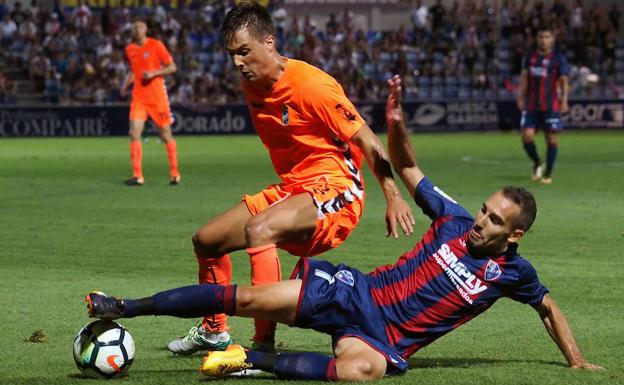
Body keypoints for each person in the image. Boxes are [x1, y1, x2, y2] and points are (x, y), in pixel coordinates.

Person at [85, 75, 603, 381]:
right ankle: (125, 307)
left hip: (385, 341)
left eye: (494, 220)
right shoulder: (453, 218)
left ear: (514, 236)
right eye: (485, 209)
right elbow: (408, 170)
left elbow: (549, 306)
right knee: (247, 297)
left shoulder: (512, 273)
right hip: (358, 293)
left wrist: (576, 360)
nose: (481, 221)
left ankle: (255, 360)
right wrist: (396, 125)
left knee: (360, 372)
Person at [165, 2, 415, 355]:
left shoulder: (312, 85)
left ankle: (261, 347)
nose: (237, 63)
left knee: (259, 229)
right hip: (294, 188)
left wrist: (393, 195)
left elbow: (367, 140)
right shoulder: (252, 85)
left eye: (244, 52)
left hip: (336, 188)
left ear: (269, 43)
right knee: (206, 241)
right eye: (232, 55)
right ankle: (214, 330)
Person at [121, 19, 180, 186]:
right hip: (139, 98)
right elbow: (134, 71)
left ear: (145, 28)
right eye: (134, 27)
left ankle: (175, 173)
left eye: (139, 26)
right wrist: (125, 86)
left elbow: (172, 67)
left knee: (165, 134)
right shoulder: (130, 49)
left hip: (156, 97)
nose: (137, 29)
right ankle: (137, 175)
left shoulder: (156, 45)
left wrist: (155, 72)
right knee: (134, 133)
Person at [517, 25, 569, 184]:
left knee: (551, 139)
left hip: (551, 105)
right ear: (536, 39)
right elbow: (524, 78)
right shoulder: (530, 57)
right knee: (526, 136)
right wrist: (520, 97)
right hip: (532, 104)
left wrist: (564, 101)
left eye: (547, 37)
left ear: (552, 39)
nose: (544, 40)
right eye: (541, 37)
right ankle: (537, 162)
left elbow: (564, 80)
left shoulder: (558, 58)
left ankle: (548, 173)